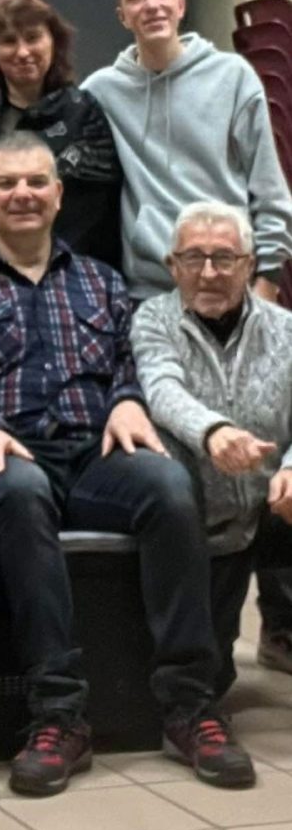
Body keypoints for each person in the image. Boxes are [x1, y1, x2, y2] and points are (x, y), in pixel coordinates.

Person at [0, 131, 256, 795]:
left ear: (59, 195)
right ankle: (59, 714)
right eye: (7, 184)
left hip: (96, 452)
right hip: (13, 447)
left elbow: (127, 362)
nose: (23, 194)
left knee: (170, 487)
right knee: (20, 494)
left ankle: (190, 704)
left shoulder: (100, 280)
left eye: (37, 182)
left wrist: (128, 401)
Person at [82, 0, 292, 668]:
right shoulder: (103, 90)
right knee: (188, 458)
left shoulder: (232, 77)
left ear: (180, 2)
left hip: (238, 282)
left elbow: (268, 190)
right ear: (121, 12)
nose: (151, 5)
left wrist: (263, 288)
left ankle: (279, 620)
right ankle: (190, 644)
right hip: (157, 292)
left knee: (264, 434)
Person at [131, 200, 292, 692]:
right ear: (172, 265)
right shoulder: (152, 320)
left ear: (249, 265)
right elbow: (162, 390)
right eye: (193, 258)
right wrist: (213, 432)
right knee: (212, 680)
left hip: (273, 506)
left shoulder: (285, 329)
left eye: (224, 258)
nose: (208, 273)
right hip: (205, 525)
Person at [0, 0, 122, 267]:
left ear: (54, 43)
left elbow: (95, 214)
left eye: (33, 38)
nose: (23, 52)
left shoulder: (84, 113)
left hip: (69, 272)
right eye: (8, 41)